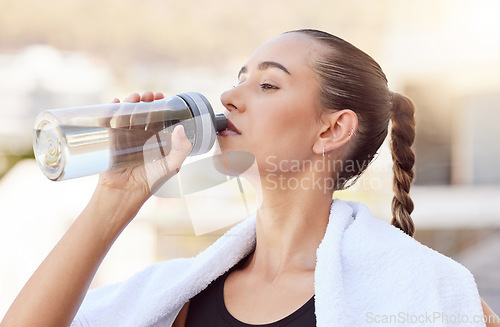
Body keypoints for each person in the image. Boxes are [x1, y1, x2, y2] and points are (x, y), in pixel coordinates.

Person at [2, 29, 499, 327]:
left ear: (331, 128)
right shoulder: (178, 297)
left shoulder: (422, 295)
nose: (230, 97)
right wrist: (114, 198)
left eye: (267, 83)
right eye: (239, 78)